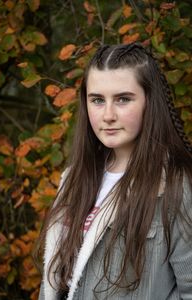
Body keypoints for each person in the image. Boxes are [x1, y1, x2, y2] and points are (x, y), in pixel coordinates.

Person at [37, 43, 192, 300]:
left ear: (149, 102)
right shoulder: (74, 179)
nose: (108, 115)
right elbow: (52, 282)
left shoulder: (177, 184)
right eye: (97, 100)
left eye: (123, 99)